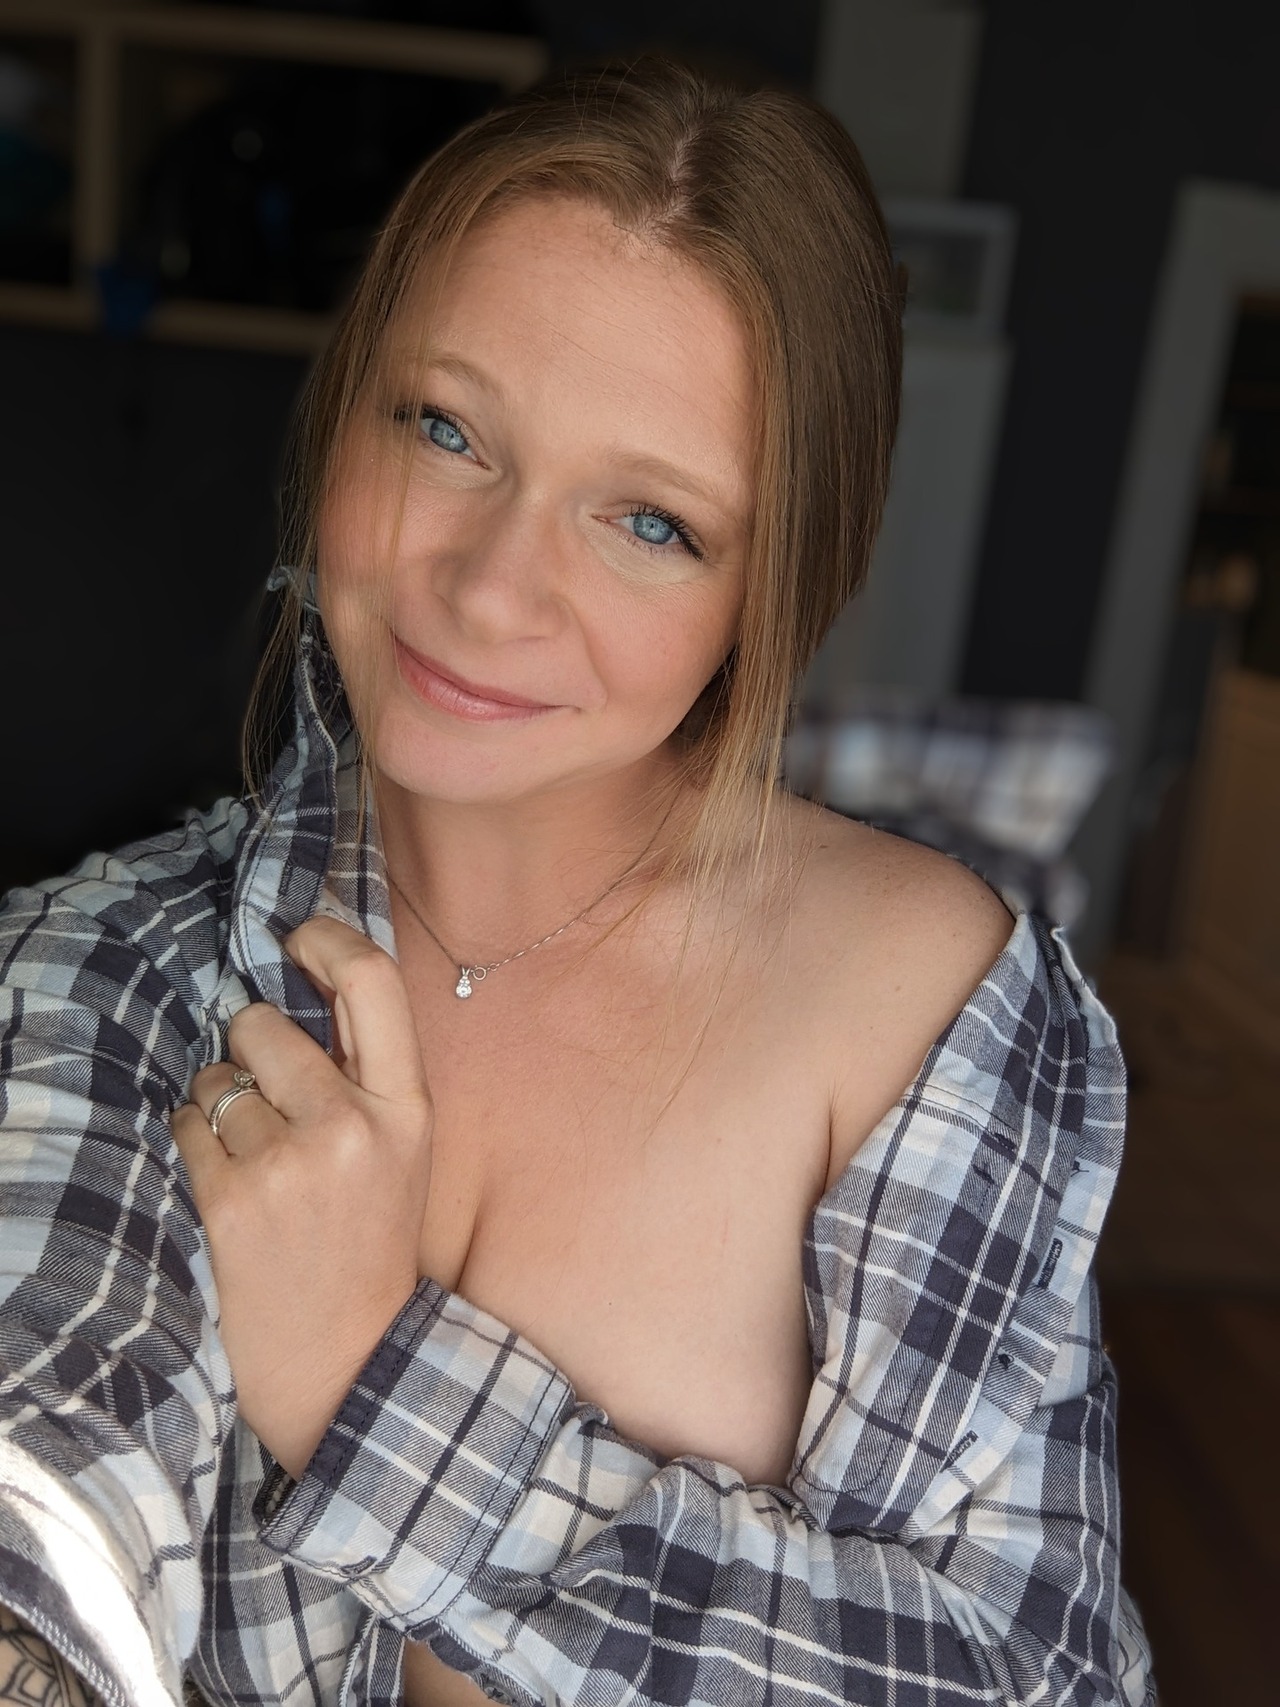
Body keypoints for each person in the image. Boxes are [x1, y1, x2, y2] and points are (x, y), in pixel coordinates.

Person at [0, 56, 1153, 1707]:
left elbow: (1033, 1676)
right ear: (345, 415)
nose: (490, 589)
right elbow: (43, 1468)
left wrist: (372, 1392)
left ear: (777, 591)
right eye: (447, 428)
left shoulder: (929, 1009)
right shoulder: (104, 963)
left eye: (651, 523)